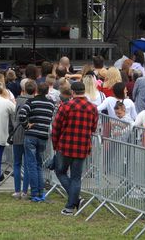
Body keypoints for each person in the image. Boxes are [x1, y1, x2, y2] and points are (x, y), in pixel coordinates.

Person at [52, 81, 99, 216]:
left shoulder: (66, 106)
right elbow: (93, 128)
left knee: (60, 172)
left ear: (72, 92)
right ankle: (72, 203)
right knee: (76, 178)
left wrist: (55, 145)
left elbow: (56, 127)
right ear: (84, 91)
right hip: (82, 147)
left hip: (65, 146)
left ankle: (73, 202)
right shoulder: (93, 108)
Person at [18, 82, 55, 202]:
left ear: (36, 90)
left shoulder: (31, 102)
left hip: (31, 135)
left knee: (31, 165)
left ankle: (34, 193)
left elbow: (22, 114)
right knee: (39, 165)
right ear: (47, 92)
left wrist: (26, 125)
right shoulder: (51, 104)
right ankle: (40, 192)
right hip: (43, 136)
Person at [11, 79, 35, 199]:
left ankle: (17, 191)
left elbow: (15, 117)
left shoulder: (18, 100)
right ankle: (25, 191)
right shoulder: (34, 101)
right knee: (27, 164)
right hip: (29, 133)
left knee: (17, 163)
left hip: (17, 133)